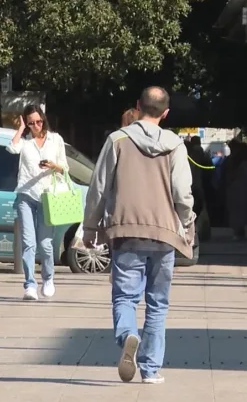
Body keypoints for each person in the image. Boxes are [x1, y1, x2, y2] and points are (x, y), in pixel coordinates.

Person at [82, 86, 195, 385]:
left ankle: (128, 335)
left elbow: (99, 187)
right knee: (158, 303)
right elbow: (183, 193)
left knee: (125, 297)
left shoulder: (117, 140)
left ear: (137, 105)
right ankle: (151, 369)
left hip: (126, 230)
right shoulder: (175, 145)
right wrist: (188, 224)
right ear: (166, 113)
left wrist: (91, 227)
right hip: (165, 233)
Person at [7, 104, 68, 300]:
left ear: (44, 119)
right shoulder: (25, 142)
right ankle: (30, 285)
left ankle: (48, 278)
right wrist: (21, 128)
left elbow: (65, 169)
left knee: (46, 243)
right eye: (31, 123)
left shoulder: (55, 139)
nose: (36, 126)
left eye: (38, 121)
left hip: (47, 196)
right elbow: (11, 148)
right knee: (28, 242)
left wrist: (52, 165)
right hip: (26, 195)